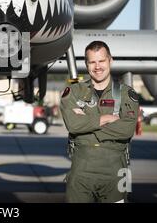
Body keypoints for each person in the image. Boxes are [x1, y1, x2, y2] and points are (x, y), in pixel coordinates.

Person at [60, 40, 139, 203]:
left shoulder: (126, 93)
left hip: (117, 172)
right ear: (86, 64)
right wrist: (105, 119)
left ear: (110, 60)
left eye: (102, 61)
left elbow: (127, 129)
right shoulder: (73, 92)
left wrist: (85, 122)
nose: (97, 67)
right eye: (92, 62)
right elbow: (73, 125)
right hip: (81, 171)